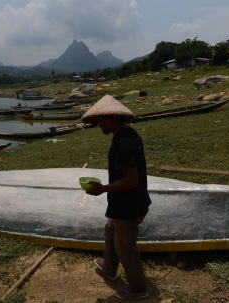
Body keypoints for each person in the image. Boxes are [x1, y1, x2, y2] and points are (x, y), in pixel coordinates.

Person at [81, 95, 151, 301]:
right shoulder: (129, 134)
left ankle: (139, 290)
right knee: (110, 231)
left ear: (115, 117)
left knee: (125, 247)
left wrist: (103, 188)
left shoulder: (122, 143)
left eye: (102, 120)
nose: (99, 124)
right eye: (97, 121)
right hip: (124, 203)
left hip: (129, 206)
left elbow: (131, 180)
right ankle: (109, 268)